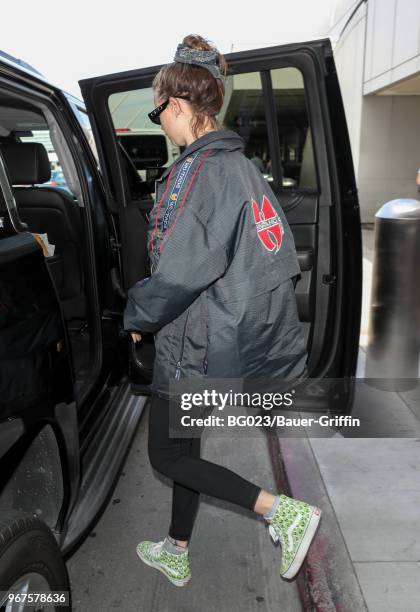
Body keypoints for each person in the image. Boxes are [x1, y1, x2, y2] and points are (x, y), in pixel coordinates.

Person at [124, 34, 322, 587]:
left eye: (157, 110)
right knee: (186, 446)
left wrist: (135, 318)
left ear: (180, 106)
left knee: (166, 455)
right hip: (221, 341)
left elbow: (181, 274)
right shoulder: (241, 166)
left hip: (196, 341)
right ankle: (177, 548)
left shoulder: (203, 172)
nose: (158, 121)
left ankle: (278, 510)